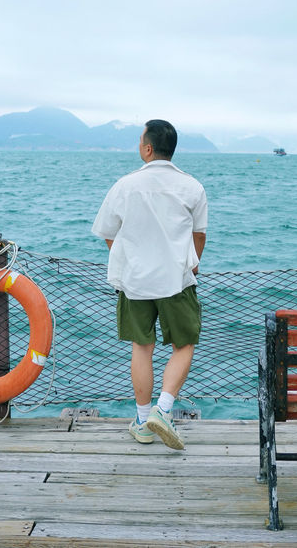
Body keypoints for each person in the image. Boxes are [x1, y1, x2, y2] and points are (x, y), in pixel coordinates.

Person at [92, 119, 207, 450]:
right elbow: (199, 235)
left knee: (142, 347)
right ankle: (164, 409)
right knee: (183, 345)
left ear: (147, 148)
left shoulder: (125, 186)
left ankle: (143, 422)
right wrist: (192, 263)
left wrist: (129, 259)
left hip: (135, 281)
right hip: (177, 280)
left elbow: (107, 231)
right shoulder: (193, 187)